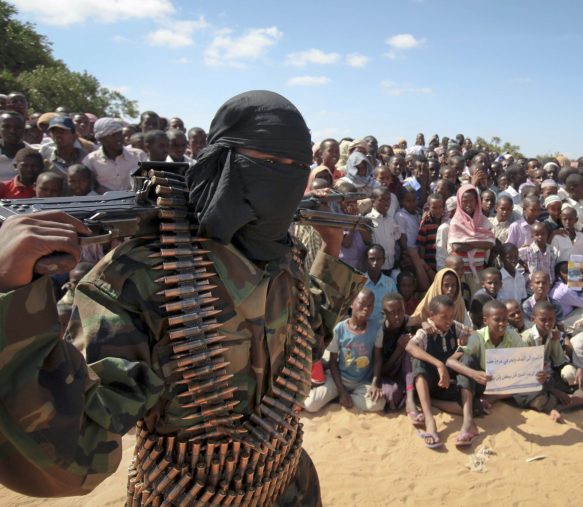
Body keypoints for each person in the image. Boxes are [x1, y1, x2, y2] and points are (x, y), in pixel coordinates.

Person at [0, 91, 364, 505]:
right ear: (221, 160)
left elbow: (304, 340)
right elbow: (70, 457)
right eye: (266, 162)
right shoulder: (144, 274)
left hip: (288, 487)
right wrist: (11, 296)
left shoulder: (285, 252)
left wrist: (330, 250)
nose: (283, 178)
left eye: (296, 166)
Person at [446, 300, 549, 443]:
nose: (502, 324)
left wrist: (538, 375)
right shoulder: (478, 337)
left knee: (536, 383)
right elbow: (450, 361)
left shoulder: (512, 336)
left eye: (505, 319)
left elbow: (528, 365)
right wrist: (474, 374)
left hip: (503, 384)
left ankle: (492, 399)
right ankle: (467, 422)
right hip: (480, 382)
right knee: (467, 360)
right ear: (485, 320)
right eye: (497, 320)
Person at [406, 295, 474, 448]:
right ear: (431, 315)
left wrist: (464, 341)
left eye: (451, 317)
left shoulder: (453, 326)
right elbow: (410, 347)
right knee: (417, 361)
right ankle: (430, 421)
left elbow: (473, 334)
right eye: (444, 317)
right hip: (430, 381)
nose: (448, 321)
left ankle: (432, 402)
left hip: (447, 384)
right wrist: (439, 364)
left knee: (472, 403)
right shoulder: (425, 332)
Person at [304, 290, 386, 413]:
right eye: (362, 303)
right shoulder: (339, 329)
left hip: (361, 382)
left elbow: (378, 358)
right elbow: (333, 362)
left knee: (379, 404)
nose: (366, 308)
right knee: (310, 405)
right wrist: (342, 390)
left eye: (370, 305)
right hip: (339, 379)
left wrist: (375, 384)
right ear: (352, 304)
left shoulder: (376, 328)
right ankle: (341, 395)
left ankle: (344, 397)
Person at [83, 118, 148, 193]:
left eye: (119, 133)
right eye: (112, 135)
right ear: (101, 139)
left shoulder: (138, 155)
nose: (118, 138)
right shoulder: (91, 160)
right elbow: (91, 187)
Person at [449, 184, 496, 277]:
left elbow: (490, 244)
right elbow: (457, 247)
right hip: (460, 273)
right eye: (465, 201)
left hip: (479, 271)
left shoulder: (484, 221)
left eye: (472, 201)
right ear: (459, 202)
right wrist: (480, 243)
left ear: (477, 201)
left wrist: (468, 242)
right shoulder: (456, 222)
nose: (469, 204)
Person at [362, 244, 398, 320]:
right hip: (364, 326)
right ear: (366, 260)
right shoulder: (359, 281)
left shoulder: (390, 283)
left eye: (379, 259)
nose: (375, 262)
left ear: (383, 260)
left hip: (384, 327)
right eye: (372, 259)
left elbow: (395, 306)